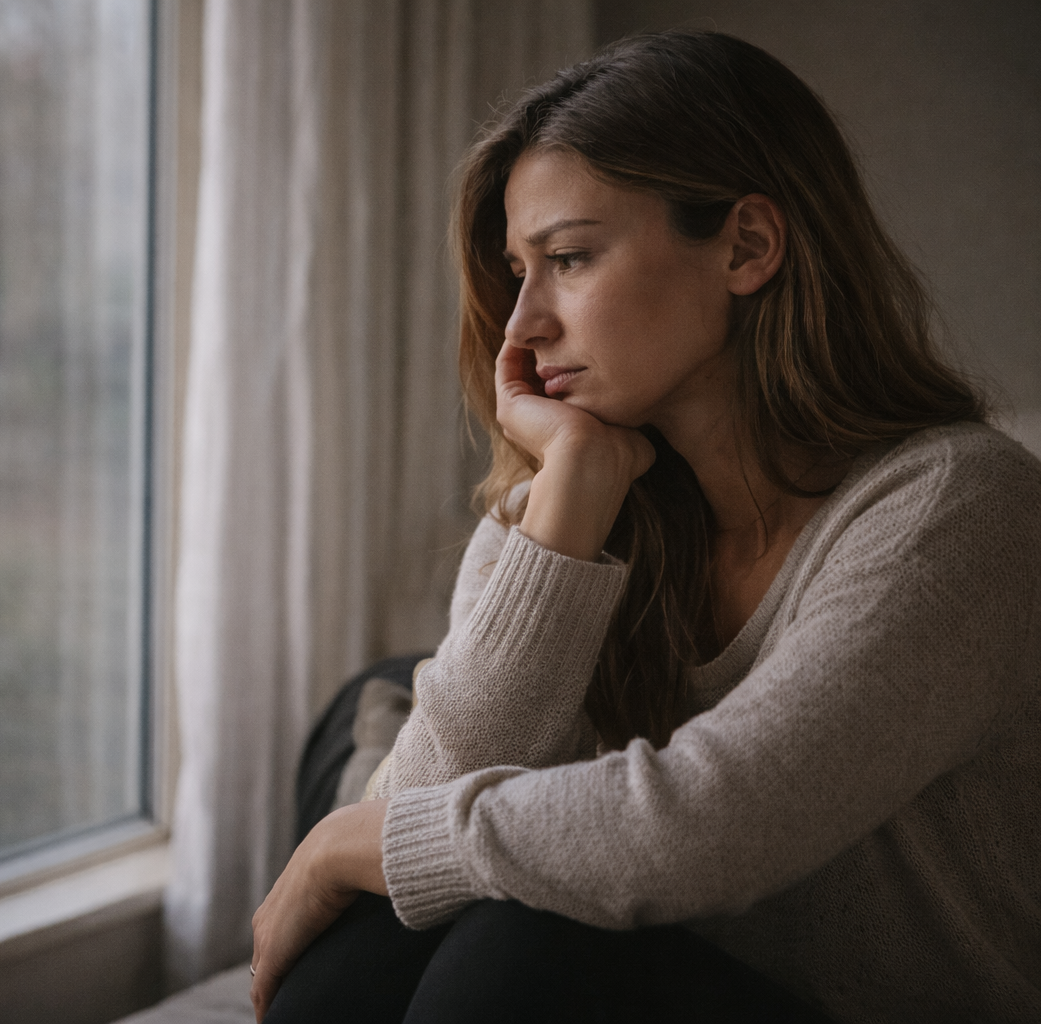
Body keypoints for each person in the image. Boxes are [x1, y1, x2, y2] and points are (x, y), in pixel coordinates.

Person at [248, 30, 1041, 1024]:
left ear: (749, 247)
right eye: (516, 270)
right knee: (379, 934)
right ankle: (365, 727)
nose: (522, 325)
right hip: (667, 971)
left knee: (520, 945)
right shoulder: (577, 485)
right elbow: (416, 832)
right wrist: (567, 499)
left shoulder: (962, 509)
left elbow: (705, 825)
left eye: (569, 258)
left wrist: (344, 841)